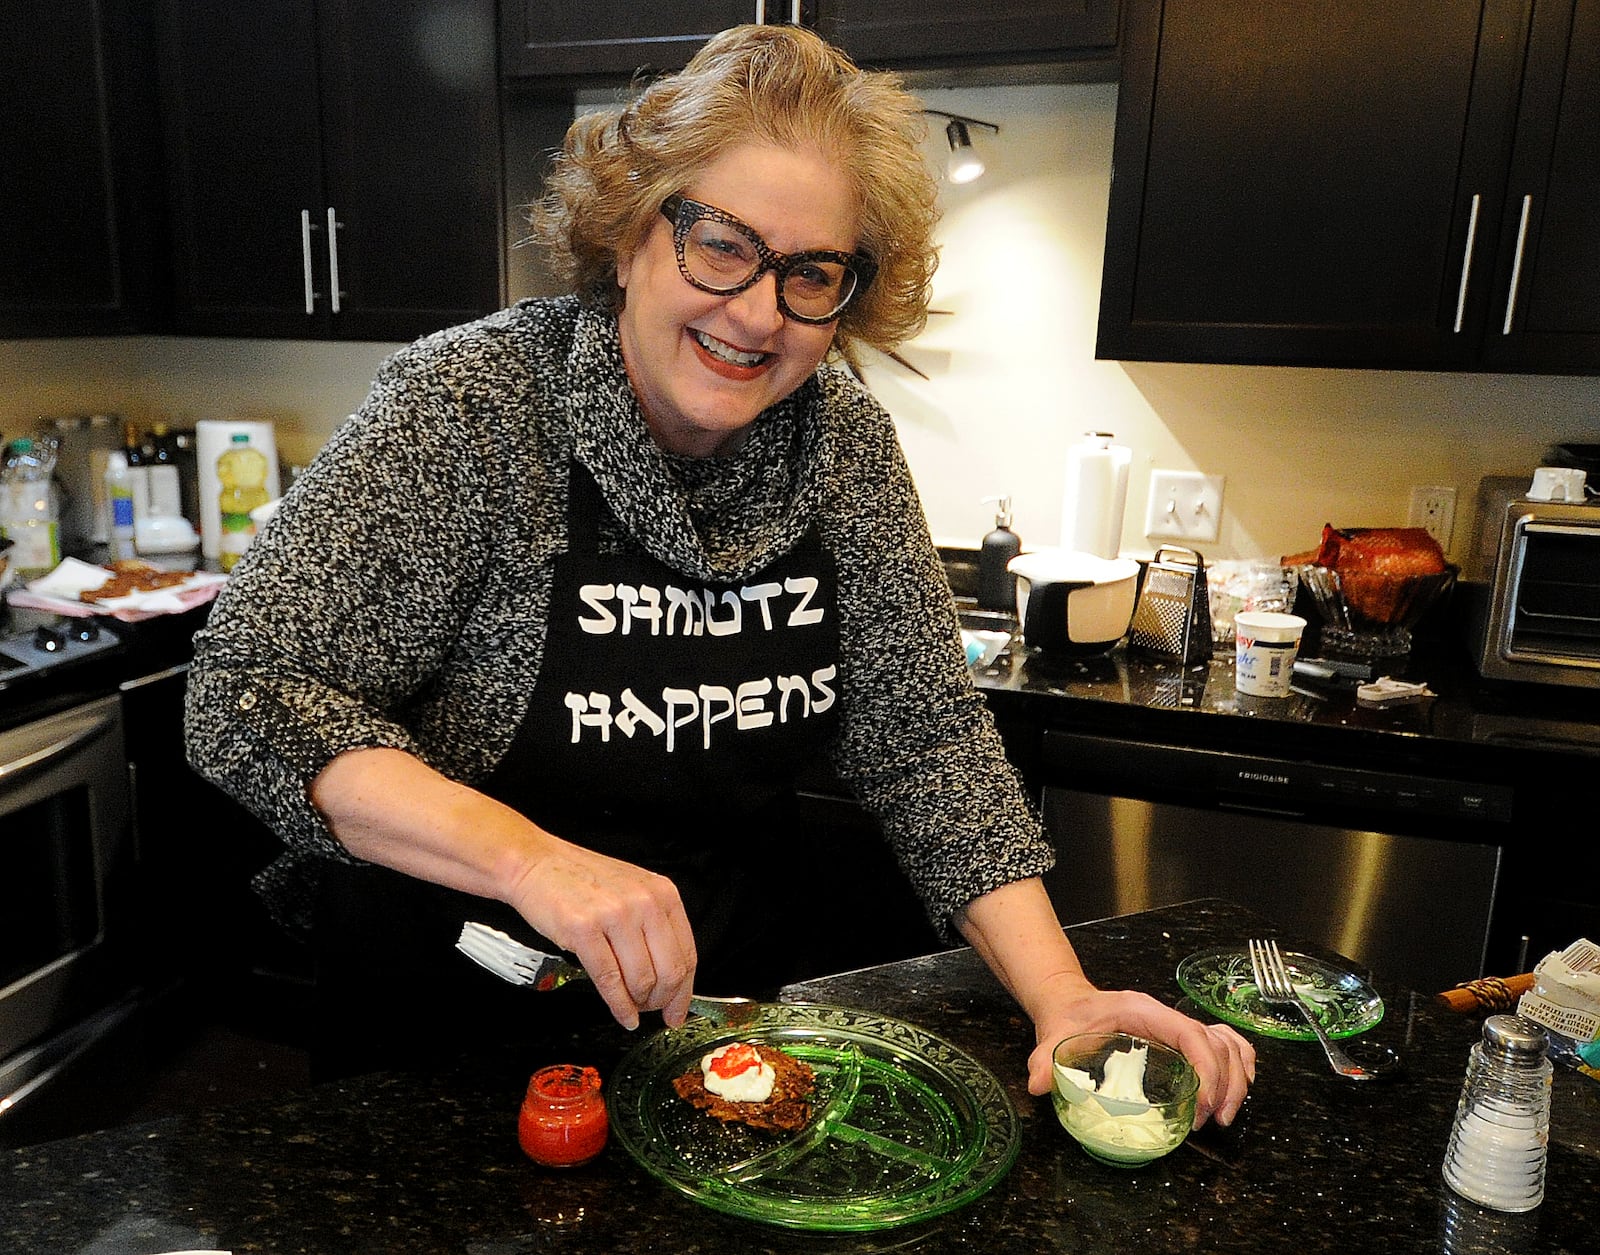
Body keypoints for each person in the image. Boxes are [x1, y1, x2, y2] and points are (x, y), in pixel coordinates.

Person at [185, 23, 1253, 1122]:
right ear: (633, 228)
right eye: (722, 244)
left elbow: (926, 739)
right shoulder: (471, 409)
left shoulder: (841, 443)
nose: (756, 312)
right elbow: (246, 693)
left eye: (811, 273)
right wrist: (532, 861)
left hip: (718, 1033)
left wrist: (1064, 996)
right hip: (446, 1036)